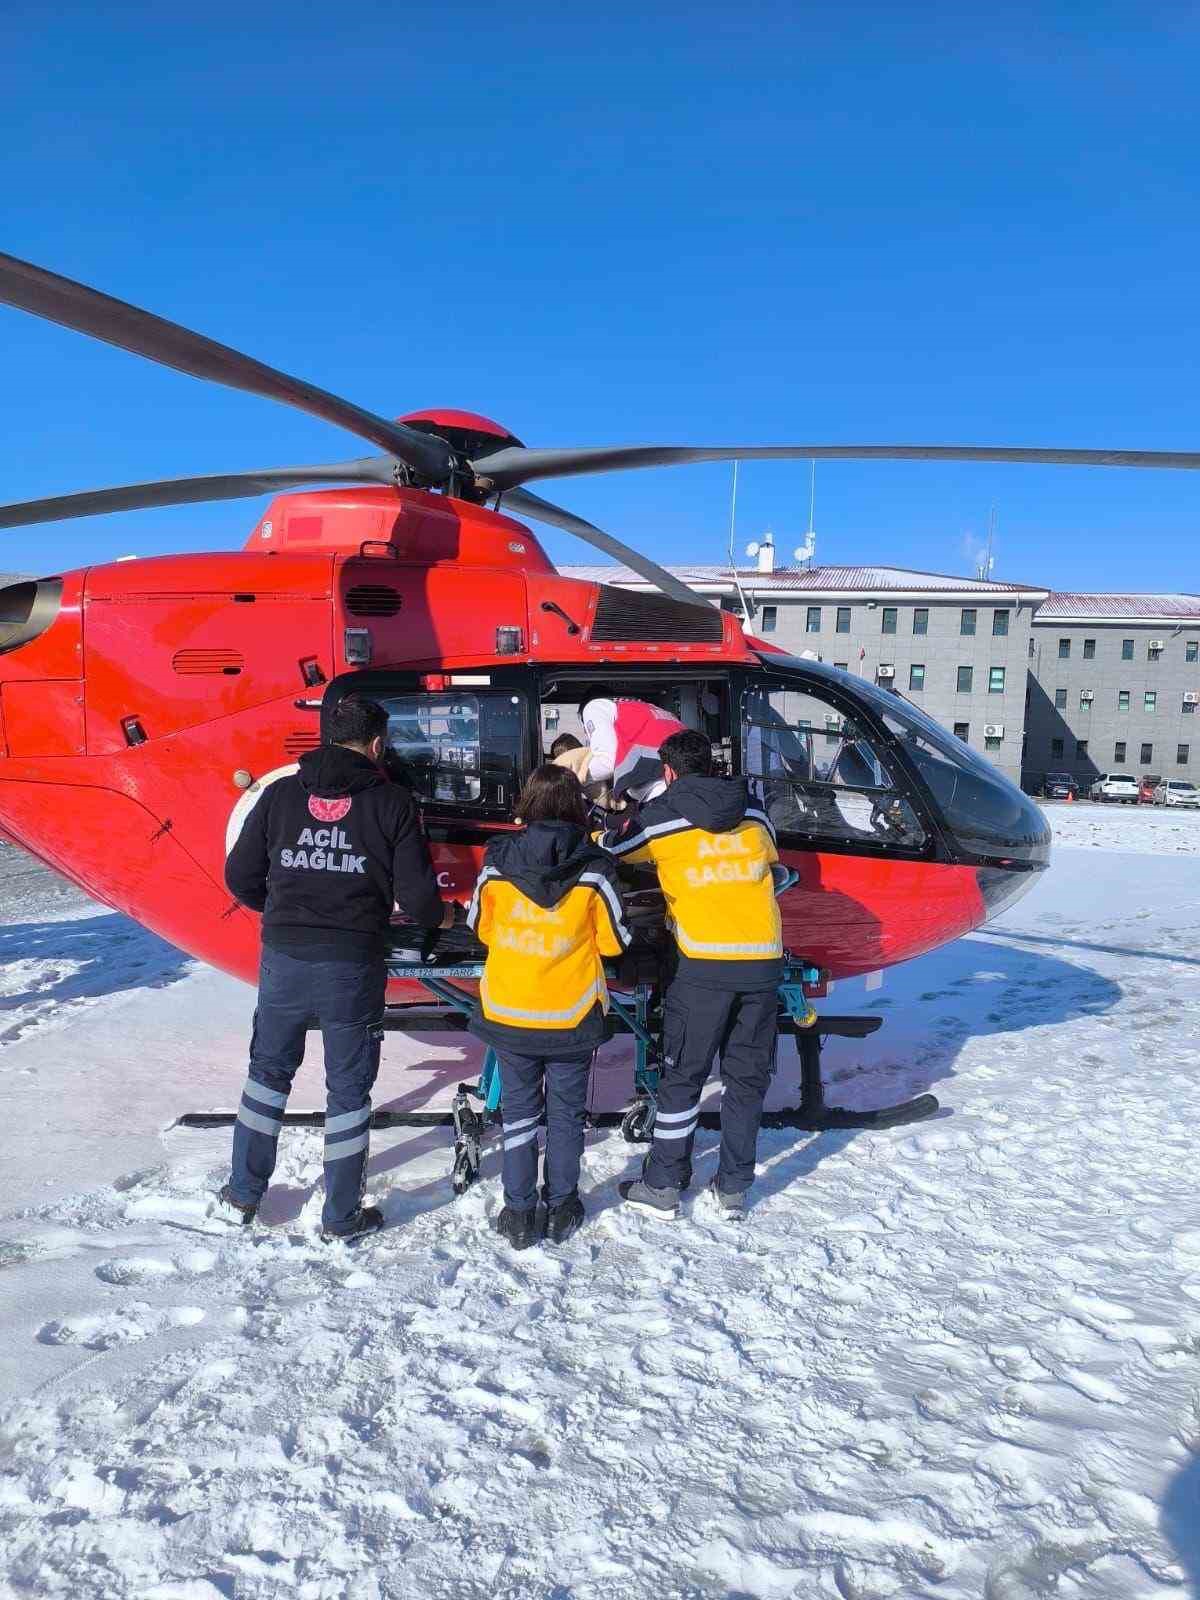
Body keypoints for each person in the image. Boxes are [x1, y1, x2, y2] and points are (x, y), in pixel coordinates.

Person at [220, 695, 453, 1241]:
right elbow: (419, 899)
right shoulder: (392, 802)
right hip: (352, 962)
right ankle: (341, 1215)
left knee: (267, 1073)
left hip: (284, 957)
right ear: (377, 744)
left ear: (324, 737)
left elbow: (239, 876)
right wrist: (443, 919)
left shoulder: (280, 794)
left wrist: (283, 911)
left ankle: (243, 1193)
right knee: (348, 1091)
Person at [605, 729, 784, 1221]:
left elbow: (614, 853)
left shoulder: (660, 816)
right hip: (763, 962)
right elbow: (773, 861)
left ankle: (663, 1184)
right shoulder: (753, 811)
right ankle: (733, 1188)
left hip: (702, 965)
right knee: (746, 1080)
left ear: (668, 771)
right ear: (713, 763)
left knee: (683, 1077)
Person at [466, 763, 632, 1249]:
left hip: (510, 1011)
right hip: (571, 1014)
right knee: (564, 1113)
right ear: (575, 807)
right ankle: (561, 1206)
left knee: (518, 1111)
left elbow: (481, 926)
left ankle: (518, 1213)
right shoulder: (595, 868)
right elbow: (615, 942)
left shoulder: (497, 863)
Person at [577, 693, 687, 806]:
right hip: (691, 784)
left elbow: (607, 762)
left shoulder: (593, 707)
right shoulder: (645, 708)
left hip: (662, 791)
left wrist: (573, 778)